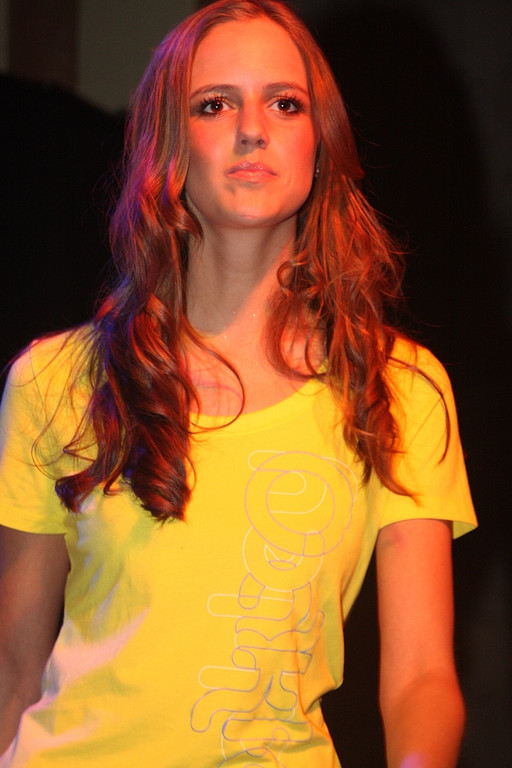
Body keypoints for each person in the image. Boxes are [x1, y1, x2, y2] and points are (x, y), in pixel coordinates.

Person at [0, 1, 476, 766]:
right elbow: (11, 672)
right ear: (169, 144)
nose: (252, 129)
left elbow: (421, 676)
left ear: (320, 141)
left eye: (284, 104)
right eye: (214, 105)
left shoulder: (399, 390)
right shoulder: (56, 380)